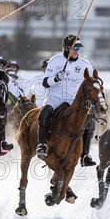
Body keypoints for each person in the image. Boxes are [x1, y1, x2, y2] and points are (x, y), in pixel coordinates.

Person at [36, 34, 96, 167]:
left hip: (74, 100)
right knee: (44, 113)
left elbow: (93, 81)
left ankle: (85, 155)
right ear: (67, 48)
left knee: (90, 122)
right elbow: (45, 83)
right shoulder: (55, 61)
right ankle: (42, 144)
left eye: (79, 48)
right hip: (55, 97)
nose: (77, 51)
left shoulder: (85, 64)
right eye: (74, 48)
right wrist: (56, 79)